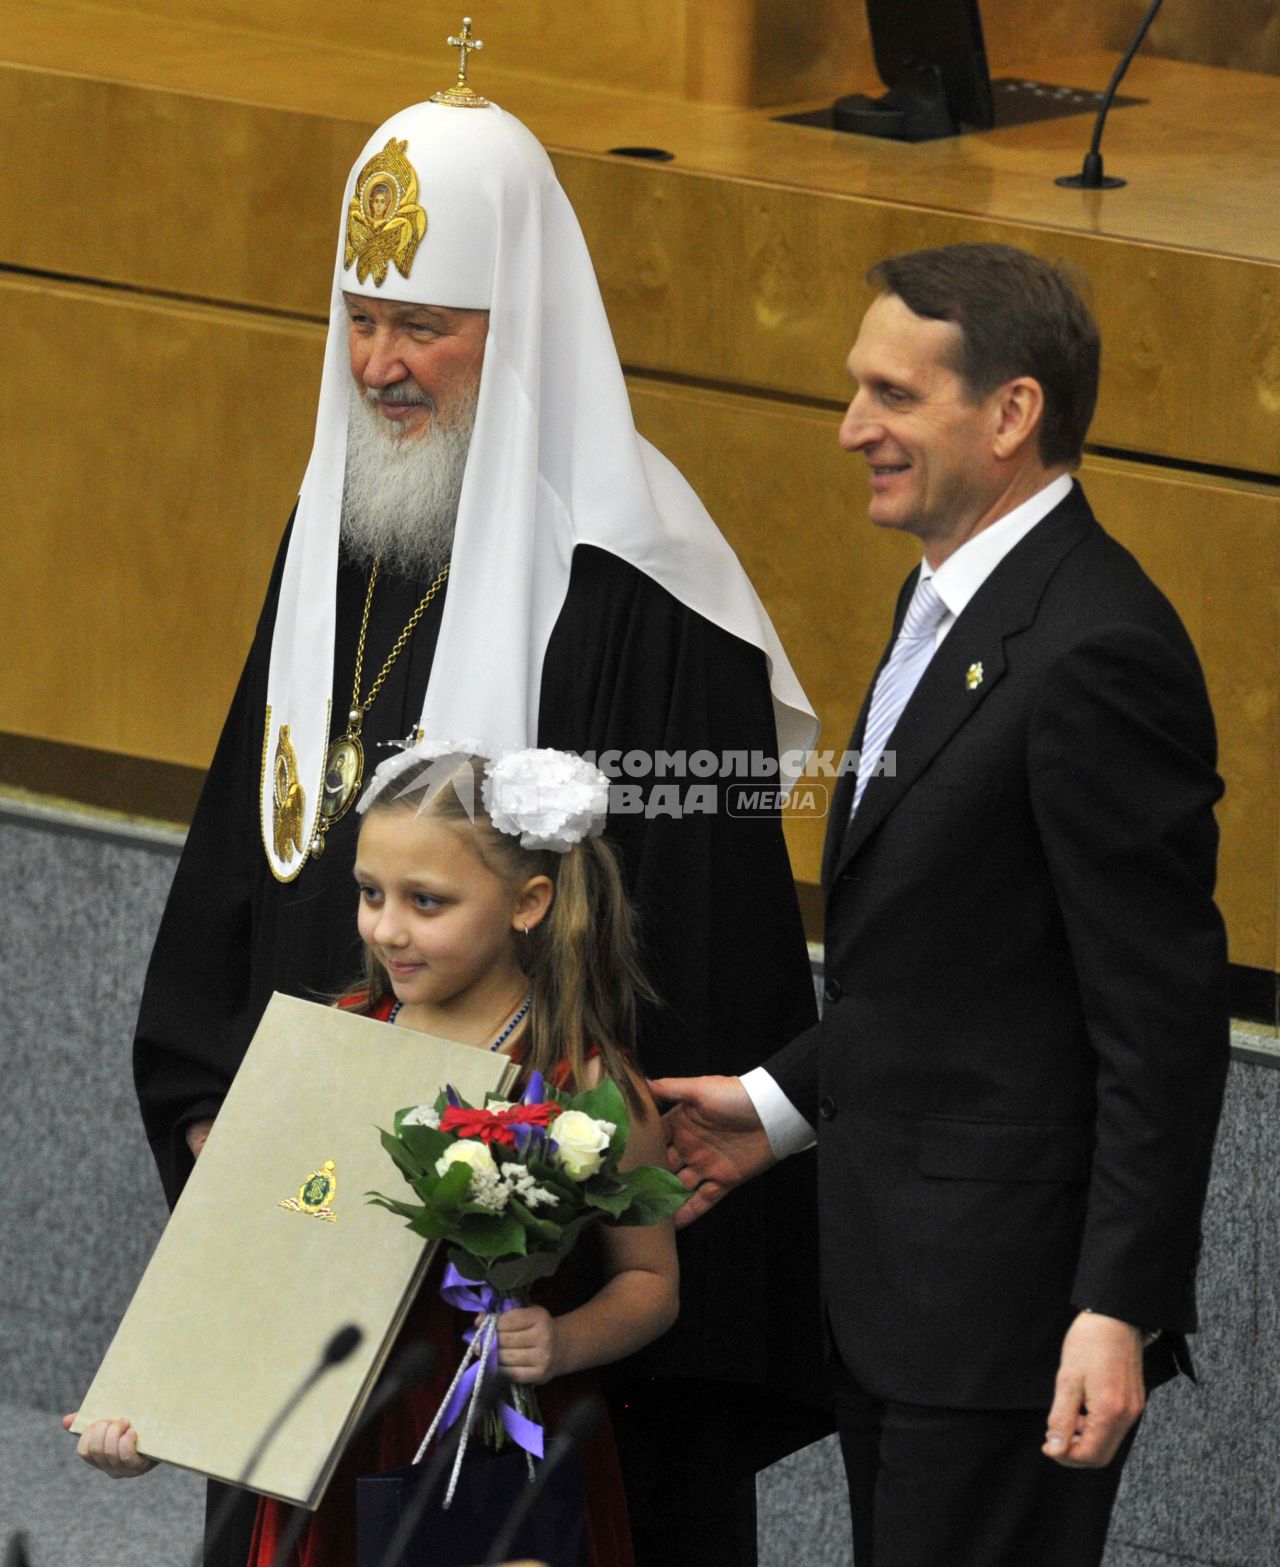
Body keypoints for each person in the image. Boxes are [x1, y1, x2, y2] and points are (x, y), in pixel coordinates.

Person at [129, 71, 830, 1567]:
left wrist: (534, 1208)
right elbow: (244, 857)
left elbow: (686, 971)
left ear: (520, 331)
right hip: (318, 1253)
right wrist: (217, 1116)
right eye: (360, 317)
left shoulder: (648, 602)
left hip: (542, 1306)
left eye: (424, 326)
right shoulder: (339, 530)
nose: (380, 365)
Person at [655, 244, 1230, 1567]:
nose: (854, 426)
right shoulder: (953, 602)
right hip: (908, 1292)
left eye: (894, 396)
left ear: (1011, 414)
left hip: (1009, 1319)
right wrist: (778, 1104)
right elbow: (955, 963)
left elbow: (1161, 1017)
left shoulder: (1096, 649)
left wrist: (1115, 1306)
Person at [75, 744, 679, 1567]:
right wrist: (155, 1413)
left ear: (528, 903)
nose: (387, 927)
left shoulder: (585, 1080)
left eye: (426, 901)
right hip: (331, 1432)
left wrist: (564, 1339)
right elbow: (250, 1259)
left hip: (489, 1436)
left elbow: (652, 1283)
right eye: (369, 893)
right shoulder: (329, 1044)